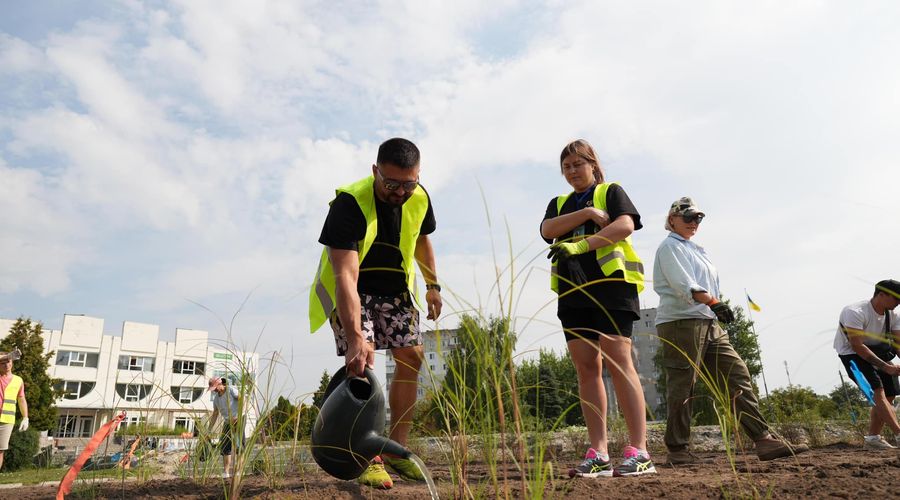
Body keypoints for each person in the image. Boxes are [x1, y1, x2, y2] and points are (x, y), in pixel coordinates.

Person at [309, 137, 442, 489]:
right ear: (375, 171)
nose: (400, 192)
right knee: (362, 363)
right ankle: (366, 458)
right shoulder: (349, 203)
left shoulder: (419, 196)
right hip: (355, 289)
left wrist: (433, 284)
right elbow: (345, 277)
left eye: (408, 184)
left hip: (395, 289)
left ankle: (396, 450)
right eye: (391, 183)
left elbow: (422, 239)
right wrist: (356, 337)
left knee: (412, 356)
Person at [653, 197, 808, 464]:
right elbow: (683, 284)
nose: (694, 223)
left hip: (707, 320)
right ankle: (677, 450)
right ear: (672, 219)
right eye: (688, 217)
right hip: (681, 322)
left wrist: (713, 306)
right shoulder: (670, 247)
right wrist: (713, 301)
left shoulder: (696, 249)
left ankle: (763, 439)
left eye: (698, 218)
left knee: (736, 373)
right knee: (684, 384)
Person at [540, 139, 655, 477]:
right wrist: (588, 214)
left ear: (592, 164)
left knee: (618, 359)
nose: (572, 171)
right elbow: (548, 229)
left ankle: (640, 451)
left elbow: (624, 226)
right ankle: (599, 453)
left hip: (611, 286)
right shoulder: (559, 202)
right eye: (566, 167)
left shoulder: (611, 191)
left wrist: (581, 246)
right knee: (586, 367)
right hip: (572, 291)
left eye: (578, 164)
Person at [834, 279, 900, 449]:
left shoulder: (892, 315)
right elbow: (857, 345)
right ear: (881, 294)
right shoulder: (854, 312)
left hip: (878, 351)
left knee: (890, 394)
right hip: (852, 354)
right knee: (877, 391)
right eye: (897, 299)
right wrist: (886, 367)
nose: (899, 303)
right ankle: (899, 434)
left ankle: (873, 439)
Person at [207, 376, 242, 478]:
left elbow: (242, 399)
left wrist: (239, 416)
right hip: (228, 422)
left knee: (239, 446)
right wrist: (209, 430)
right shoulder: (216, 399)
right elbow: (215, 414)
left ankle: (238, 471)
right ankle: (225, 472)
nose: (214, 391)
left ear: (220, 384)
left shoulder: (231, 390)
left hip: (238, 419)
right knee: (226, 447)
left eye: (215, 388)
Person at [0, 349, 28, 472]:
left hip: (6, 421)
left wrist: (25, 417)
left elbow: (21, 399)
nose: (6, 364)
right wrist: (6, 355)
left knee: (0, 450)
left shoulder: (18, 380)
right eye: (3, 362)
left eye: (9, 361)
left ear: (13, 363)